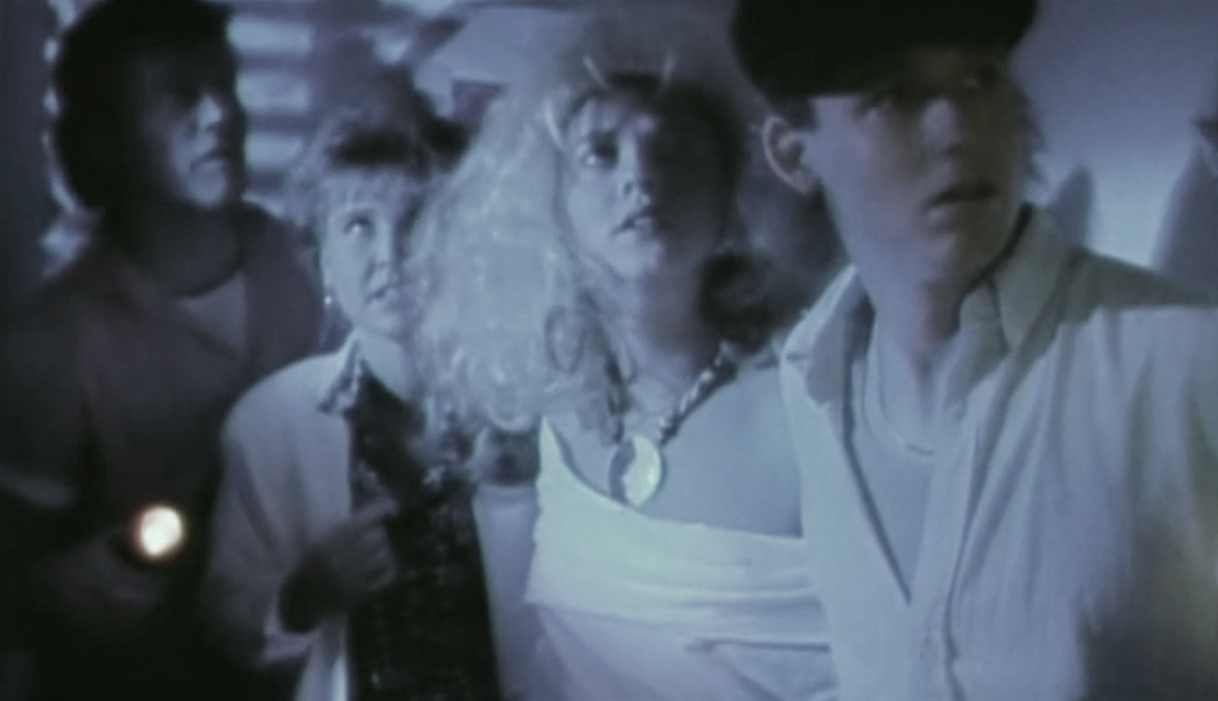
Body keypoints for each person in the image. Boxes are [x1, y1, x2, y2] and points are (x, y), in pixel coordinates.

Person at [731, 0, 1218, 699]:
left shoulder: (1184, 361)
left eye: (980, 79)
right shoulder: (812, 382)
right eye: (894, 95)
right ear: (792, 151)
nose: (958, 127)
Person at [410, 13, 838, 700]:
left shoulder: (809, 395)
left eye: (673, 148)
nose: (641, 176)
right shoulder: (550, 414)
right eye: (600, 153)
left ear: (731, 189)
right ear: (551, 200)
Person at [0, 0, 322, 698]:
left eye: (225, 84)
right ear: (106, 139)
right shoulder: (57, 344)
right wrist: (77, 583)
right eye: (180, 94)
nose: (221, 114)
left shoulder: (307, 266)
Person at [202, 74, 538, 701]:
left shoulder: (529, 407)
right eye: (359, 225)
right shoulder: (274, 421)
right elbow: (229, 627)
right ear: (322, 260)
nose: (392, 254)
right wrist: (302, 597)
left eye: (418, 220)